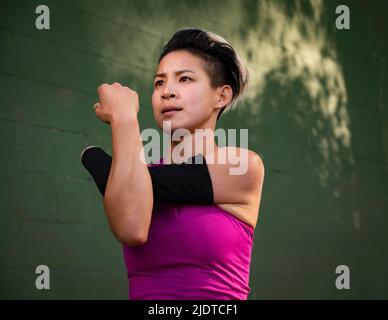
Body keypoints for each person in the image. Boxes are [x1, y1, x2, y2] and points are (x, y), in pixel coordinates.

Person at [88, 28, 265, 299]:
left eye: (184, 79)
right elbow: (130, 227)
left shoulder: (242, 166)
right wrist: (124, 128)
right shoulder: (134, 177)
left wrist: (124, 121)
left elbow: (137, 206)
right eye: (159, 82)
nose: (167, 91)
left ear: (222, 96)